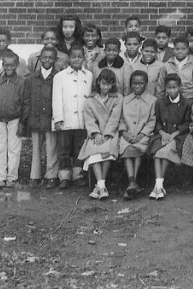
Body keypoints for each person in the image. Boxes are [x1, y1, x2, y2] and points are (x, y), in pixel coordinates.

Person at [52, 46, 94, 190]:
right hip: (66, 119)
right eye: (74, 56)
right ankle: (64, 177)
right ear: (69, 58)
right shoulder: (60, 76)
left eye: (79, 56)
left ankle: (77, 175)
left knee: (79, 148)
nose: (76, 59)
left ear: (84, 58)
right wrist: (58, 118)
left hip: (82, 120)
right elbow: (56, 99)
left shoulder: (88, 75)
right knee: (63, 149)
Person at [78, 69, 122, 199]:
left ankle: (99, 186)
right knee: (93, 151)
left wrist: (107, 134)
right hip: (95, 134)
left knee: (107, 150)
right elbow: (89, 119)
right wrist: (96, 134)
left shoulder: (117, 98)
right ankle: (102, 186)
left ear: (113, 84)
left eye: (109, 84)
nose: (106, 87)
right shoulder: (90, 99)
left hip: (110, 133)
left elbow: (115, 118)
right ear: (98, 82)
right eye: (103, 83)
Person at [147, 73, 192, 200]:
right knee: (157, 152)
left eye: (174, 87)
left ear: (180, 87)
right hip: (163, 134)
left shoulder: (186, 103)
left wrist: (174, 134)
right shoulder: (160, 103)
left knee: (165, 152)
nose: (172, 90)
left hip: (178, 136)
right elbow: (157, 122)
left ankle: (158, 186)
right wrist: (162, 133)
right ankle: (159, 185)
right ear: (165, 88)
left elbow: (188, 124)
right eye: (169, 88)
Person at [0, 50, 25, 189]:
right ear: (2, 65)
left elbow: (25, 103)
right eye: (6, 65)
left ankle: (12, 177)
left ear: (17, 65)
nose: (9, 68)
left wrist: (22, 122)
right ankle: (2, 176)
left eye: (12, 65)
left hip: (14, 120)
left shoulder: (20, 83)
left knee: (14, 149)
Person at [21, 46, 59, 188]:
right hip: (35, 117)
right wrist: (26, 117)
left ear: (54, 59)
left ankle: (51, 175)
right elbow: (26, 99)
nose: (47, 60)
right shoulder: (31, 78)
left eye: (50, 58)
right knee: (36, 148)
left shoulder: (58, 77)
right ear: (40, 58)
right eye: (44, 57)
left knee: (51, 147)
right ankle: (35, 175)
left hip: (51, 118)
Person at [117, 69, 156, 200]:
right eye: (134, 83)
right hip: (127, 135)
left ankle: (132, 183)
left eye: (140, 83)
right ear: (131, 84)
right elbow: (120, 119)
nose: (137, 86)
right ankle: (132, 182)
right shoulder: (125, 100)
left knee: (137, 148)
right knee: (127, 149)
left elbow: (152, 121)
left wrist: (142, 134)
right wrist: (124, 133)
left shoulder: (152, 100)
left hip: (143, 136)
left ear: (146, 84)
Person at [163, 35, 193, 101]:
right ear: (174, 50)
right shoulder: (167, 65)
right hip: (170, 100)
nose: (180, 51)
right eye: (177, 49)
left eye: (183, 49)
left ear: (187, 50)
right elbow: (161, 86)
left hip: (189, 99)